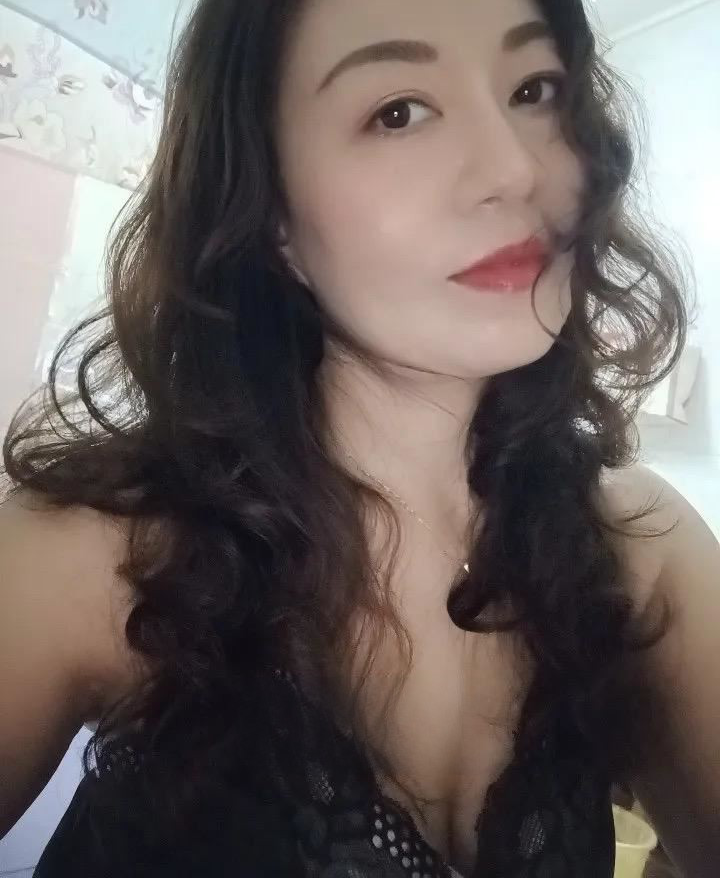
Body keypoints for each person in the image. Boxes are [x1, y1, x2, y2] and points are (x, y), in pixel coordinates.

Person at [1, 0, 718, 875]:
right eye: (398, 112)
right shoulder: (96, 557)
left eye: (535, 89)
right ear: (270, 212)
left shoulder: (641, 551)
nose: (515, 168)